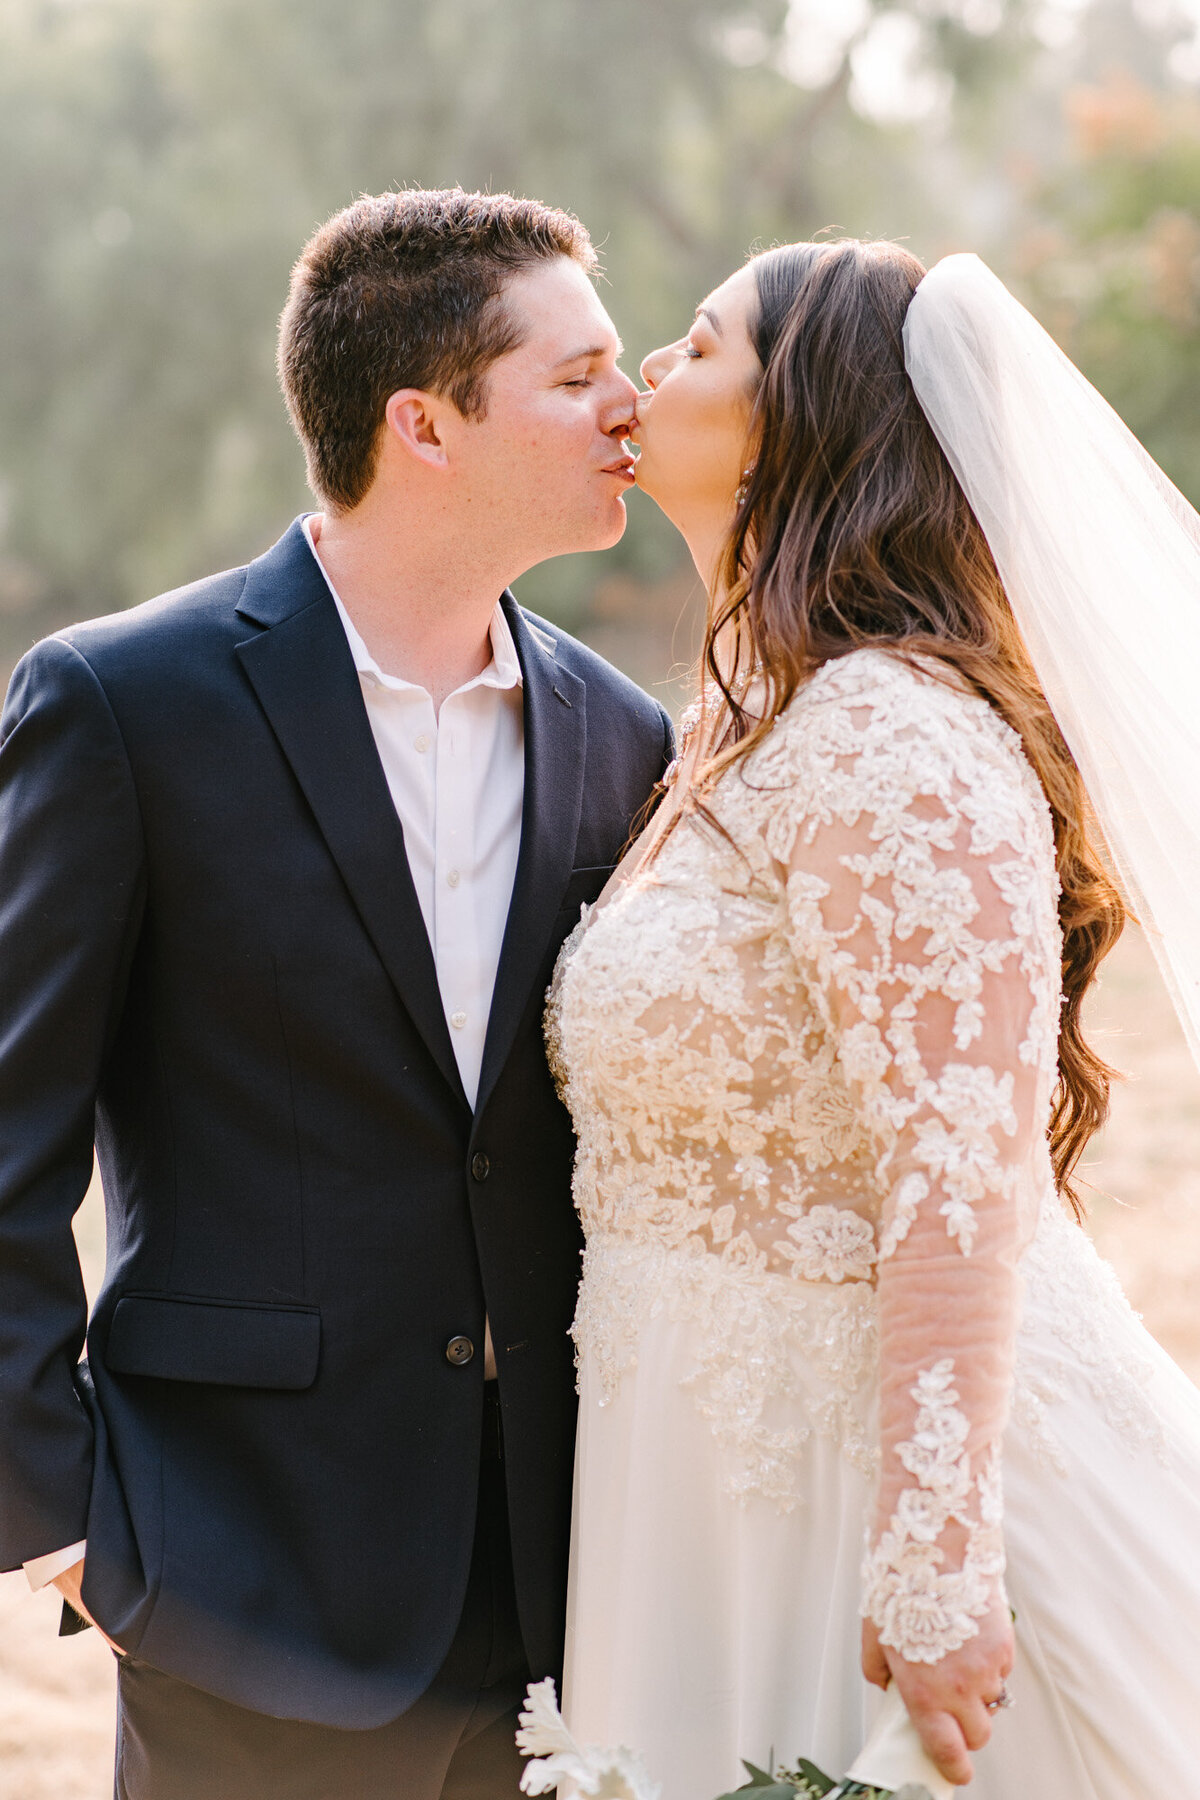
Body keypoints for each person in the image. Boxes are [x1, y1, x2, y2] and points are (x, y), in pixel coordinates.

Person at [0, 187, 673, 1800]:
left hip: (567, 1601)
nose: (628, 402)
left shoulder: (625, 737)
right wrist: (69, 1527)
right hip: (239, 1578)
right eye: (575, 374)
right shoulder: (122, 702)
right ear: (423, 423)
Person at [547, 238, 1200, 1796]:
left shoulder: (888, 732)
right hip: (702, 1474)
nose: (649, 369)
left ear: (799, 415)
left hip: (884, 1496)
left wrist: (929, 1562)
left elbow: (961, 1173)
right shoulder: (743, 719)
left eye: (696, 347)